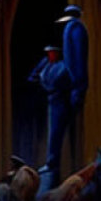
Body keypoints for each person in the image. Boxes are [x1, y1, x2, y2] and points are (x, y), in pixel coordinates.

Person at [28, 43, 73, 189]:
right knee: (49, 132)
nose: (50, 55)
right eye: (48, 53)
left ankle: (53, 164)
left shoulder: (63, 66)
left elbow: (60, 82)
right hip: (49, 101)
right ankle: (50, 164)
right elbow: (33, 77)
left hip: (60, 102)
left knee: (56, 133)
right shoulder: (46, 64)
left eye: (52, 53)